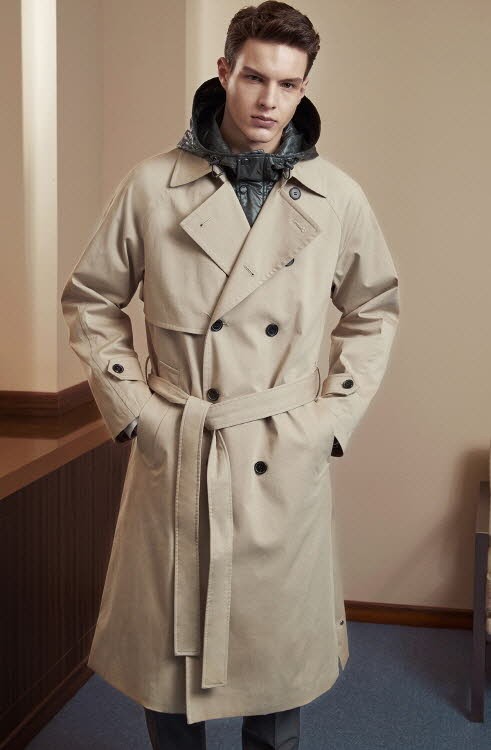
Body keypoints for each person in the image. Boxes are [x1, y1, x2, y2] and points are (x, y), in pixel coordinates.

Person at [61, 2, 400, 748]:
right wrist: (136, 410)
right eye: (254, 77)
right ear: (224, 72)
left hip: (281, 449)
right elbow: (91, 301)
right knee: (169, 666)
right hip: (182, 442)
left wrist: (329, 420)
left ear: (304, 87)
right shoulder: (150, 186)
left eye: (288, 84)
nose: (269, 100)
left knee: (274, 666)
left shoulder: (337, 197)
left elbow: (374, 311)